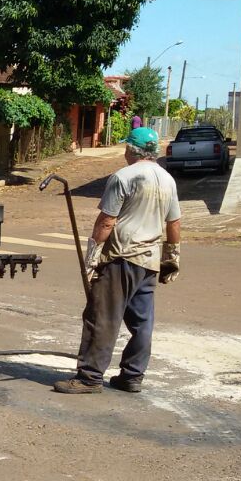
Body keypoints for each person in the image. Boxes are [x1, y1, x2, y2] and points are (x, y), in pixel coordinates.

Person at [54, 127, 182, 394]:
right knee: (142, 322)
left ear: (131, 150)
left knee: (101, 316)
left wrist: (93, 255)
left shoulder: (124, 177)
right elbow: (174, 222)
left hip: (120, 258)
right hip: (149, 261)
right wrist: (172, 255)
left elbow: (107, 220)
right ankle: (132, 375)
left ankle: (89, 378)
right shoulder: (167, 179)